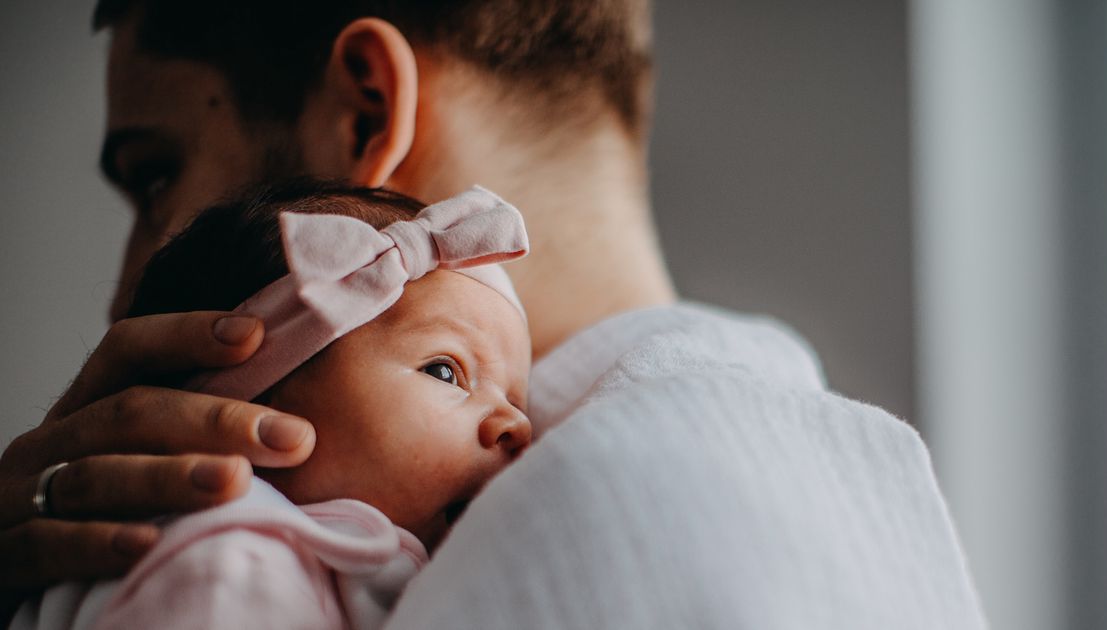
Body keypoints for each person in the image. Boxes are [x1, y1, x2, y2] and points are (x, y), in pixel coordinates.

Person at [0, 1, 987, 627]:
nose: (126, 285)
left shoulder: (622, 515)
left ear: (365, 113)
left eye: (156, 174)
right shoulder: (805, 460)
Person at [14, 181, 535, 629]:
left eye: (516, 398)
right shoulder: (234, 556)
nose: (517, 424)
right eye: (445, 371)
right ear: (253, 411)